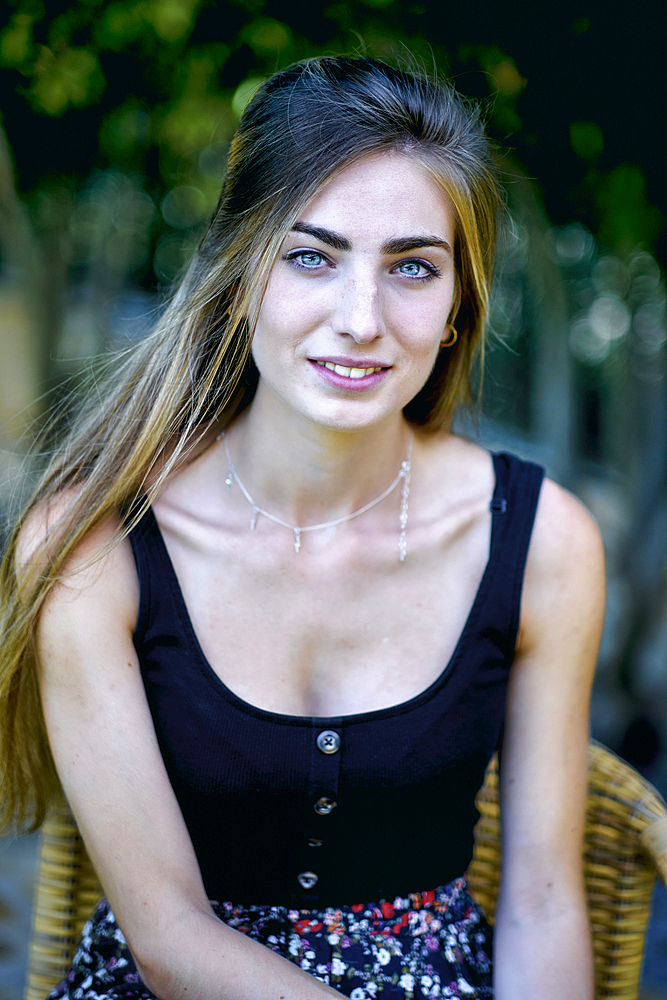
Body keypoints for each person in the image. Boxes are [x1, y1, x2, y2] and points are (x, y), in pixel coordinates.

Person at [0, 56, 605, 1000]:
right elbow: (166, 935)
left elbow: (539, 902)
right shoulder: (91, 544)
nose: (361, 319)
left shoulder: (544, 546)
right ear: (241, 275)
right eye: (311, 255)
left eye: (412, 267)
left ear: (457, 307)